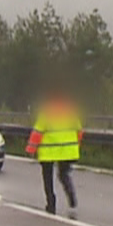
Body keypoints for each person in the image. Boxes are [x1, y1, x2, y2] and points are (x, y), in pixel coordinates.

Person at [26, 87, 83, 216]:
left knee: (48, 178)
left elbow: (37, 133)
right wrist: (76, 146)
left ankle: (51, 203)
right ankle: (71, 196)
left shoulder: (46, 113)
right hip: (67, 151)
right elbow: (79, 131)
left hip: (48, 152)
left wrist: (31, 149)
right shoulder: (70, 112)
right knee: (63, 174)